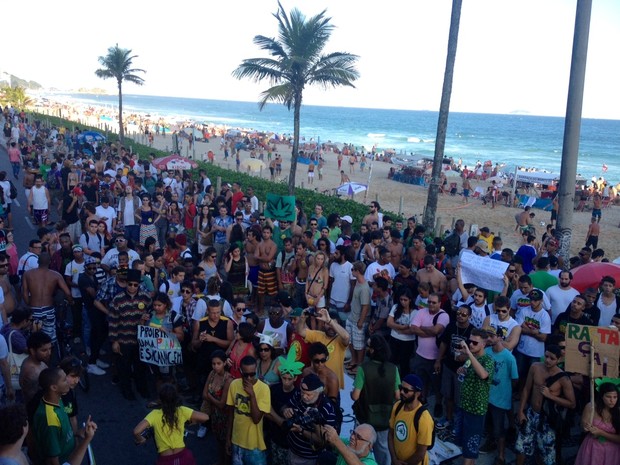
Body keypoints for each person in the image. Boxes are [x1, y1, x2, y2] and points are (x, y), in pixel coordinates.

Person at [515, 345, 576, 465]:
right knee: (521, 446)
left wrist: (550, 396)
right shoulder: (535, 367)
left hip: (547, 419)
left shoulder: (563, 378)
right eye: (546, 356)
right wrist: (521, 411)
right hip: (531, 414)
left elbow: (572, 403)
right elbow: (526, 389)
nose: (547, 360)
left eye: (552, 358)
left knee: (546, 452)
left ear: (558, 360)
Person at [351, 334, 400, 465]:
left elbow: (355, 396)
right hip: (385, 419)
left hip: (364, 418)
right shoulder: (393, 369)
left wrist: (352, 392)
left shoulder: (363, 368)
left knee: (359, 448)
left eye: (368, 346)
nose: (366, 348)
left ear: (373, 350)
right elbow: (397, 395)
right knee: (383, 451)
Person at [133, 383, 209, 465]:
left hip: (166, 461)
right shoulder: (182, 410)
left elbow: (136, 431)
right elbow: (205, 417)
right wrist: (192, 421)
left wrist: (141, 439)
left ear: (160, 399)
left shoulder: (154, 414)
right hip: (184, 457)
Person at [109, 268, 152, 400]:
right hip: (123, 340)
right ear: (126, 283)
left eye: (135, 285)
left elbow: (152, 314)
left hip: (140, 340)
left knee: (141, 367)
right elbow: (112, 321)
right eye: (130, 284)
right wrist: (114, 341)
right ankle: (127, 391)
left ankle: (142, 389)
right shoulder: (117, 299)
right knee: (124, 368)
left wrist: (147, 317)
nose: (133, 287)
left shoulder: (145, 297)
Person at [453, 328, 494, 465]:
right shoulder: (472, 358)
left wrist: (469, 354)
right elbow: (469, 370)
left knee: (471, 444)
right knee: (465, 443)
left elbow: (483, 375)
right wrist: (463, 370)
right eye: (470, 341)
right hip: (464, 405)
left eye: (475, 343)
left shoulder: (488, 360)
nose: (470, 344)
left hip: (476, 409)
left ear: (483, 344)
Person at [480, 327, 519, 465]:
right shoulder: (487, 352)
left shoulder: (509, 358)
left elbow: (515, 379)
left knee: (499, 429)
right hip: (486, 397)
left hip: (500, 400)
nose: (488, 338)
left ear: (500, 337)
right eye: (487, 336)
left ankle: (501, 456)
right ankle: (490, 443)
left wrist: (505, 391)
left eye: (491, 336)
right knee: (489, 425)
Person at [226, 355, 271, 465]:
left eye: (252, 374)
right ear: (240, 371)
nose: (249, 378)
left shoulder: (264, 389)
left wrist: (252, 395)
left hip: (254, 445)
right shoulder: (234, 385)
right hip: (236, 442)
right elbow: (231, 414)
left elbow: (256, 419)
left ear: (256, 370)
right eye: (246, 375)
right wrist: (228, 438)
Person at [283, 373, 337, 464]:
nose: (304, 396)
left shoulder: (326, 408)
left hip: (310, 458)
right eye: (302, 392)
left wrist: (301, 430)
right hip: (292, 451)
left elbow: (323, 441)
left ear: (318, 392)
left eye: (309, 395)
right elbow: (287, 406)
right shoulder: (298, 394)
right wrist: (286, 410)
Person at [388, 374, 434, 465]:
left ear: (417, 393)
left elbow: (420, 454)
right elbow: (391, 434)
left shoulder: (424, 419)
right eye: (400, 388)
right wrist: (394, 459)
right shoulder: (397, 406)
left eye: (406, 390)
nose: (401, 392)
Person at [574, 382, 620, 465]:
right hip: (592, 448)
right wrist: (585, 426)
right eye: (608, 396)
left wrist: (601, 433)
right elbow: (583, 428)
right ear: (602, 396)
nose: (612, 400)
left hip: (612, 451)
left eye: (615, 397)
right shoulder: (591, 407)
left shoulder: (618, 412)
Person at [201, 350, 233, 459]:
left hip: (225, 417)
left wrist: (210, 397)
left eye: (218, 363)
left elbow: (221, 404)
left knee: (226, 443)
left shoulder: (228, 380)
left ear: (224, 363)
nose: (215, 366)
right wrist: (211, 398)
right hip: (214, 414)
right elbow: (203, 394)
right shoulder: (212, 373)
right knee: (218, 440)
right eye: (213, 364)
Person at [19, 331, 52, 405]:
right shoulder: (33, 372)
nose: (49, 353)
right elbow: (32, 398)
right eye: (44, 350)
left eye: (50, 349)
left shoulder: (35, 360)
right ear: (32, 351)